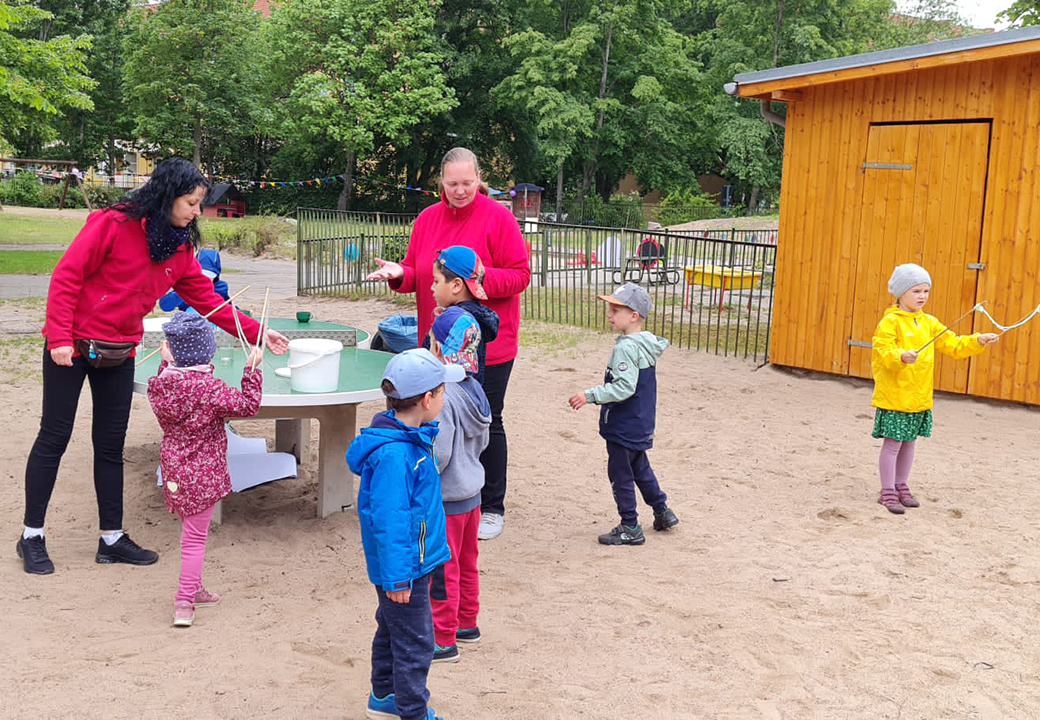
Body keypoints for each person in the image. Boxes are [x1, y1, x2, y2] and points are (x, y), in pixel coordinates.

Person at [17, 157, 288, 576]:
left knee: (110, 445)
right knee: (55, 436)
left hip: (119, 351)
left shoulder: (179, 248)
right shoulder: (111, 223)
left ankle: (111, 538)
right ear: (167, 196)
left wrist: (258, 332)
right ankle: (31, 535)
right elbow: (67, 276)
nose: (197, 212)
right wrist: (59, 338)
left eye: (199, 204)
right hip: (72, 346)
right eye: (192, 203)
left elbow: (210, 300)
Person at [366, 147, 530, 541]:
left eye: (467, 183)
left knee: (486, 420)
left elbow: (520, 275)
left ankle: (490, 505)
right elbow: (417, 274)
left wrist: (479, 280)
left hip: (488, 346)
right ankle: (442, 497)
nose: (460, 191)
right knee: (435, 417)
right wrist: (398, 273)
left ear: (480, 178)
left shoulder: (500, 218)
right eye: (452, 184)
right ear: (441, 182)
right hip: (437, 346)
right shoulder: (426, 219)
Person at [346, 348, 462, 720]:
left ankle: (383, 696)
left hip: (416, 561)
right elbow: (391, 520)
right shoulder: (396, 455)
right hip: (403, 569)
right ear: (427, 400)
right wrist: (398, 577)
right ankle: (413, 711)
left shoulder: (412, 436)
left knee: (392, 630)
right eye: (443, 392)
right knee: (417, 641)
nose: (444, 397)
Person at [146, 312, 263, 627]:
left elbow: (172, 382)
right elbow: (248, 406)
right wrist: (251, 370)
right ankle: (184, 601)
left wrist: (166, 362)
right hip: (203, 471)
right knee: (195, 538)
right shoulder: (210, 389)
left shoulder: (159, 385)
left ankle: (194, 587)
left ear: (172, 351)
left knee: (189, 531)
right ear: (206, 351)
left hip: (173, 468)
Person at [871, 263, 998, 514]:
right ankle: (887, 492)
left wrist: (978, 340)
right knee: (893, 443)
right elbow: (882, 351)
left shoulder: (929, 322)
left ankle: (901, 486)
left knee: (909, 442)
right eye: (916, 291)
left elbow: (953, 344)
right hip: (896, 396)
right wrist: (901, 356)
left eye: (926, 291)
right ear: (900, 293)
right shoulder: (890, 322)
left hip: (919, 398)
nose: (922, 296)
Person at [568, 283, 679, 546]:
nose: (609, 314)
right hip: (640, 422)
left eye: (616, 310)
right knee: (640, 467)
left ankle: (630, 525)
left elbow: (624, 387)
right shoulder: (646, 343)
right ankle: (662, 511)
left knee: (621, 474)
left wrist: (590, 395)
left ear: (634, 316)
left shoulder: (626, 348)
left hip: (623, 425)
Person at [427, 307, 491, 664]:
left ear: (440, 346)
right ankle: (468, 622)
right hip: (472, 493)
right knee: (468, 562)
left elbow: (440, 453)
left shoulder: (444, 397)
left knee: (443, 568)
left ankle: (442, 637)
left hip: (449, 497)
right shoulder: (475, 390)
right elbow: (480, 443)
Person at [426, 245, 499, 385]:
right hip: (469, 397)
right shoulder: (475, 317)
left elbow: (437, 372)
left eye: (436, 281)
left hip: (444, 400)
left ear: (456, 285)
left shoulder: (453, 321)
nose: (432, 287)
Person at [159, 247, 229, 312]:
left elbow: (228, 307)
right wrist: (183, 294)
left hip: (210, 322)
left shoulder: (220, 287)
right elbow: (164, 306)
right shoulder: (187, 286)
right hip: (187, 322)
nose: (206, 279)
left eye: (210, 276)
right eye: (203, 275)